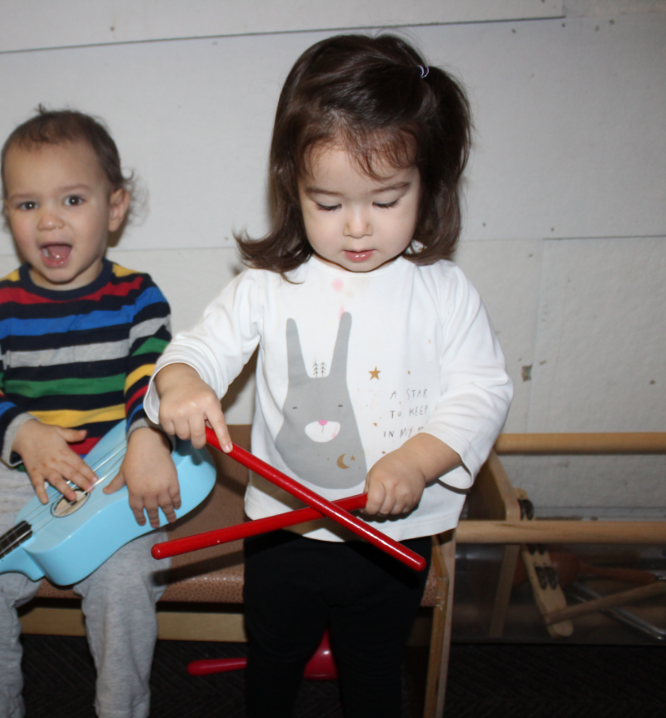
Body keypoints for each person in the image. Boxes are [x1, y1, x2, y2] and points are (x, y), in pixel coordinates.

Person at [146, 34, 514, 717]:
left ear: (428, 182)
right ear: (292, 185)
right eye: (327, 201)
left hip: (391, 537)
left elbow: (484, 390)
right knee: (274, 660)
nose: (355, 227)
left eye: (385, 200)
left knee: (374, 672)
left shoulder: (443, 291)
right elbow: (195, 350)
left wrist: (418, 459)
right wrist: (184, 383)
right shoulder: (267, 287)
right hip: (284, 528)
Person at [0, 107, 178, 718]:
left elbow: (152, 378)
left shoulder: (139, 295)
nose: (48, 218)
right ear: (10, 216)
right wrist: (23, 433)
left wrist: (147, 438)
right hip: (19, 467)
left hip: (118, 462)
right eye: (27, 205)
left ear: (116, 207)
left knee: (126, 583)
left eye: (72, 199)